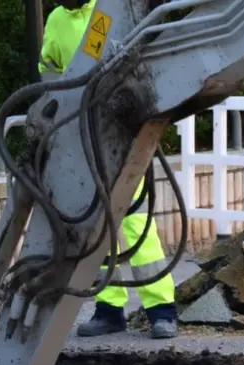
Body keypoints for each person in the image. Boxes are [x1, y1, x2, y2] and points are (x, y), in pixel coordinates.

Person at [39, 0, 178, 339]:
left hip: (118, 130)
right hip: (81, 135)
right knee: (96, 227)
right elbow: (49, 68)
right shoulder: (56, 20)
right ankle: (109, 308)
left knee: (135, 223)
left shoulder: (104, 14)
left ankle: (161, 309)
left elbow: (110, 62)